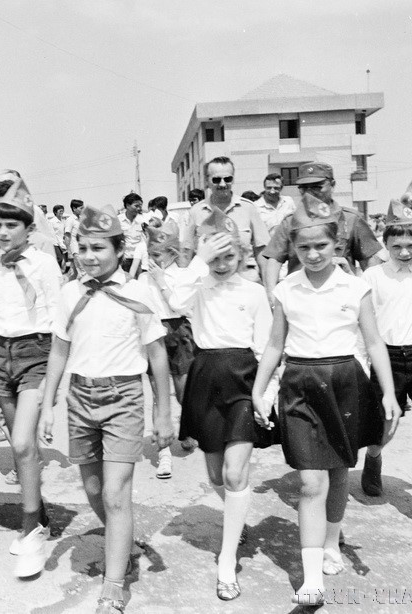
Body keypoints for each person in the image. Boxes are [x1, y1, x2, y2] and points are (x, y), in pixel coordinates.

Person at [251, 195, 401, 606]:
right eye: (304, 247)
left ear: (337, 243)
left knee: (337, 473)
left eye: (321, 246)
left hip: (345, 382)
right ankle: (312, 579)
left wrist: (389, 393)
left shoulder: (355, 287)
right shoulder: (286, 289)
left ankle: (331, 540)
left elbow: (374, 342)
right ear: (293, 248)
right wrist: (259, 391)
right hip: (299, 384)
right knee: (309, 481)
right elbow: (275, 344)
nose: (313, 254)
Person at [40, 203, 174, 613]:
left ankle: (114, 585)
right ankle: (123, 538)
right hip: (80, 398)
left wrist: (163, 413)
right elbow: (59, 351)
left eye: (98, 247)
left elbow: (158, 356)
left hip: (123, 398)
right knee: (95, 491)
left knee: (116, 494)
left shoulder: (138, 293)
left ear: (118, 250)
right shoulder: (70, 294)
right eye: (82, 248)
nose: (89, 256)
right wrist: (48, 405)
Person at [151, 208, 277, 602]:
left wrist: (265, 395)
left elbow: (267, 348)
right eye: (214, 257)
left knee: (235, 473)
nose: (221, 265)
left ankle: (226, 560)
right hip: (205, 379)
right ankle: (238, 517)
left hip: (243, 381)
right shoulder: (197, 286)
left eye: (229, 256)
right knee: (216, 476)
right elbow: (175, 299)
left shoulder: (253, 293)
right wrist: (198, 261)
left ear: (242, 255)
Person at [0, 178, 60, 577]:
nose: (2, 231)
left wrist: (54, 380)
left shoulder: (44, 264)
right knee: (18, 447)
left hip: (36, 353)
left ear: (29, 228)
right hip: (1, 355)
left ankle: (31, 530)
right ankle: (39, 515)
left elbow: (59, 320)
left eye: (11, 225)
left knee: (25, 442)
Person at [361, 199, 412, 513]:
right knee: (385, 427)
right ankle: (373, 457)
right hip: (386, 359)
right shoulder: (373, 276)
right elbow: (362, 323)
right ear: (385, 245)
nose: (404, 252)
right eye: (396, 246)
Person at [137, 217, 204, 478]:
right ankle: (164, 452)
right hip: (155, 335)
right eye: (150, 254)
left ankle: (186, 430)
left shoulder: (183, 275)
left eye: (158, 255)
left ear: (173, 253)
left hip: (180, 333)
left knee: (184, 392)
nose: (152, 260)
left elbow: (179, 305)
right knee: (158, 394)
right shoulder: (143, 279)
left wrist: (162, 279)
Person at [263, 162, 382, 300]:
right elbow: (274, 260)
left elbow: (370, 262)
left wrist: (368, 295)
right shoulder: (289, 222)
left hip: (341, 297)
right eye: (304, 188)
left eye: (316, 187)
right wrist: (271, 294)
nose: (309, 192)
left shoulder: (351, 219)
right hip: (300, 296)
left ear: (332, 185)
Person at [181, 157, 269, 283]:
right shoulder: (196, 211)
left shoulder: (248, 208)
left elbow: (262, 251)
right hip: (208, 284)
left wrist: (267, 286)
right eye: (216, 180)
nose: (222, 184)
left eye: (227, 179)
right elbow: (186, 252)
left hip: (244, 281)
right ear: (207, 181)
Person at [118, 193, 149, 277]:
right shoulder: (119, 220)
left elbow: (148, 236)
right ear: (128, 205)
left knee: (140, 281)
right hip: (125, 259)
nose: (139, 208)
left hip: (139, 259)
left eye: (140, 206)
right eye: (136, 206)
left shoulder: (143, 220)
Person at [64, 199, 85, 275]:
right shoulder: (70, 220)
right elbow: (67, 236)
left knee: (74, 273)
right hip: (75, 249)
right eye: (81, 208)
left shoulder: (80, 219)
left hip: (81, 248)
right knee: (83, 272)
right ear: (74, 208)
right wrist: (69, 252)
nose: (83, 210)